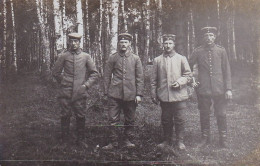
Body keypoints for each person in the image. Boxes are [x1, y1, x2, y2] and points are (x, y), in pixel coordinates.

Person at [52, 32, 99, 148]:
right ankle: (64, 140)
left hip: (80, 92)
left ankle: (81, 140)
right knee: (65, 115)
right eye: (72, 41)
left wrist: (86, 86)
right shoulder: (63, 56)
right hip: (66, 92)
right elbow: (56, 72)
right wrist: (64, 82)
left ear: (79, 42)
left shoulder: (85, 56)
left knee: (80, 115)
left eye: (76, 41)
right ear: (69, 42)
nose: (74, 44)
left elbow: (94, 73)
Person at [190, 27, 232, 148]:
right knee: (204, 113)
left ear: (215, 37)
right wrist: (193, 80)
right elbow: (187, 66)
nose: (209, 38)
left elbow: (227, 71)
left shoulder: (221, 51)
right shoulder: (198, 51)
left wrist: (228, 88)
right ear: (203, 38)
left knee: (221, 114)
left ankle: (223, 139)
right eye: (206, 36)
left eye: (211, 36)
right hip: (203, 89)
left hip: (219, 88)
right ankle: (205, 138)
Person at [102, 33, 144, 150]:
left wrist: (139, 94)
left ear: (130, 44)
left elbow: (140, 77)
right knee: (113, 119)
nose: (123, 44)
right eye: (121, 42)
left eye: (126, 42)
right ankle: (113, 142)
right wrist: (106, 92)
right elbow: (106, 76)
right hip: (114, 94)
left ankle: (127, 140)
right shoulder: (113, 57)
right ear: (118, 44)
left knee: (130, 119)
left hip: (131, 95)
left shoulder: (135, 58)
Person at [151, 34, 192, 150]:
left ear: (174, 45)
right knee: (166, 119)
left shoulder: (181, 58)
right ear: (163, 45)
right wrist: (153, 93)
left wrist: (180, 82)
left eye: (170, 43)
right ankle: (167, 140)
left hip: (179, 95)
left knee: (180, 119)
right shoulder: (157, 60)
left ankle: (180, 141)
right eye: (166, 43)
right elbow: (153, 79)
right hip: (164, 95)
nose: (168, 46)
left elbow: (188, 75)